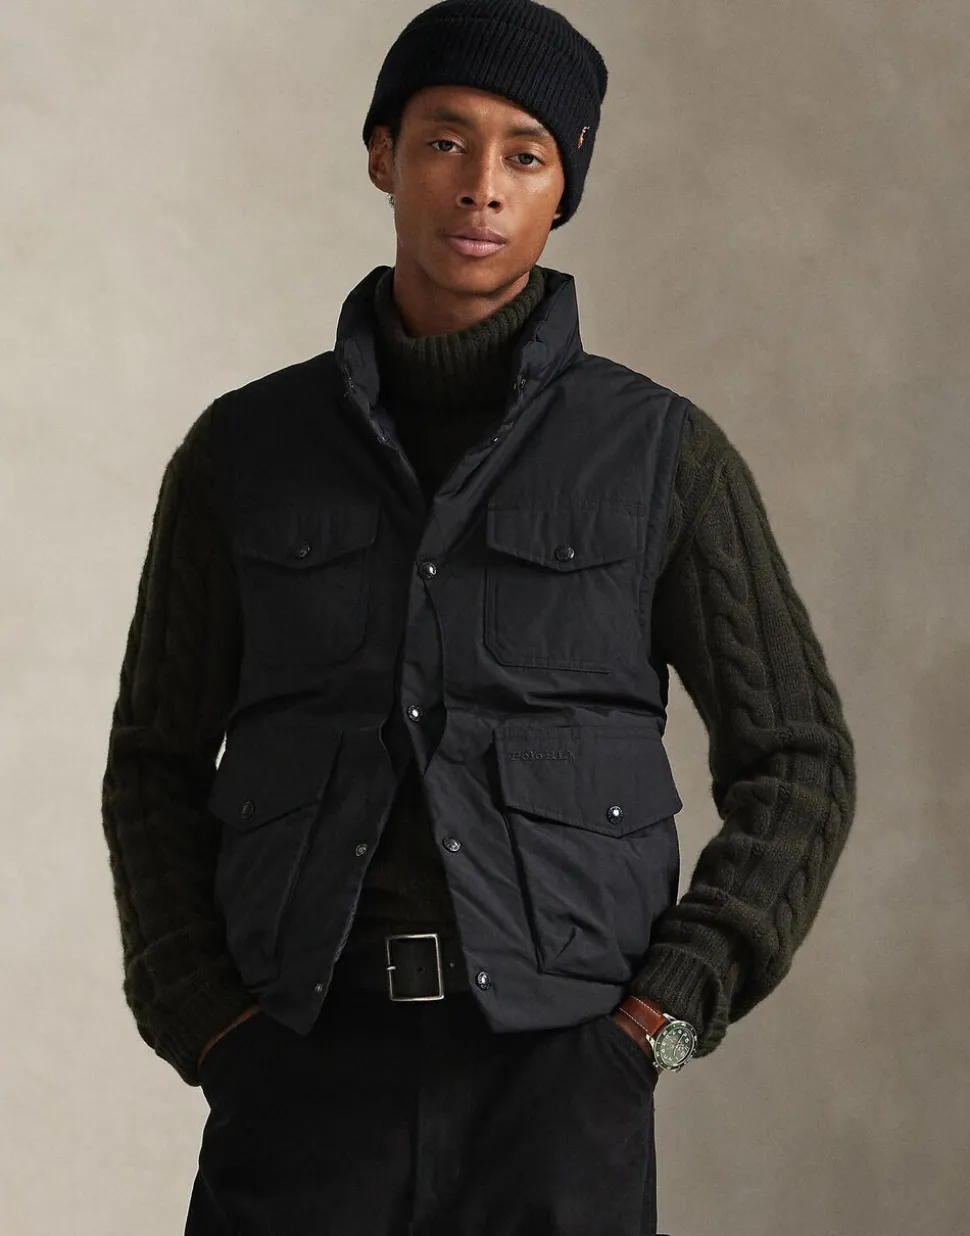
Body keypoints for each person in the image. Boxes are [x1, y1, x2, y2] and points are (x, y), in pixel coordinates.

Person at [99, 2, 857, 1233]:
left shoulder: (663, 456)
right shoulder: (244, 453)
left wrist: (659, 1027)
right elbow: (153, 762)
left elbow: (799, 761)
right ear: (381, 155)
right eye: (446, 141)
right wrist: (208, 1027)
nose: (482, 186)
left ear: (563, 191)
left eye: (525, 154)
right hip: (299, 1074)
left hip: (563, 1089)